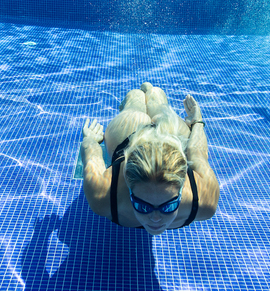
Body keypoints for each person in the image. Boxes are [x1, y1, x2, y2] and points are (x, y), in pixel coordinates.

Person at [81, 83, 219, 235]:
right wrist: (90, 140)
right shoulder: (103, 196)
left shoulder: (204, 201)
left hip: (165, 136)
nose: (155, 219)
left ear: (182, 187)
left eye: (169, 206)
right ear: (127, 183)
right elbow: (197, 153)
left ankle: (149, 93)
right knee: (135, 99)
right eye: (142, 206)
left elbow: (197, 153)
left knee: (156, 97)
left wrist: (197, 121)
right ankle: (140, 97)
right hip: (131, 136)